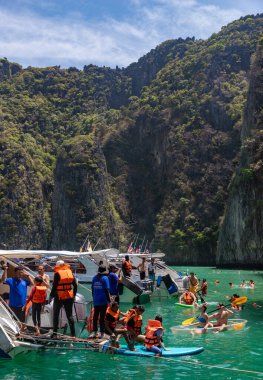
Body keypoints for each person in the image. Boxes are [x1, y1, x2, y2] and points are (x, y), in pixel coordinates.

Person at [49, 260, 77, 338]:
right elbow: (75, 285)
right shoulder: (70, 272)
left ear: (58, 266)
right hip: (69, 296)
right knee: (70, 315)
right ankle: (73, 335)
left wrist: (51, 296)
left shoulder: (57, 274)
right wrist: (74, 295)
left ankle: (55, 334)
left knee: (56, 314)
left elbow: (54, 287)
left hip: (59, 296)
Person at [91, 266, 110, 338]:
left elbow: (92, 289)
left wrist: (94, 297)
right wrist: (109, 301)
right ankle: (102, 333)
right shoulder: (105, 278)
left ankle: (95, 331)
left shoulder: (94, 278)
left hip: (96, 300)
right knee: (102, 318)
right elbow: (106, 290)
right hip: (103, 301)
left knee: (95, 316)